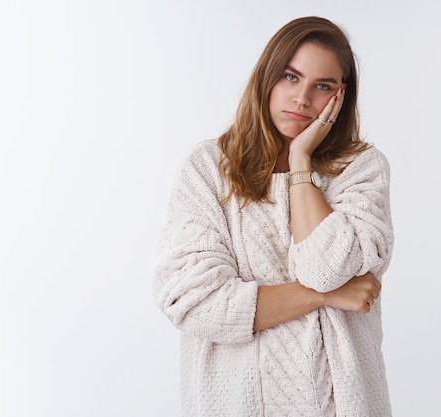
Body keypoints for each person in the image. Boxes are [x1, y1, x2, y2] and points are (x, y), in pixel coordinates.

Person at [152, 16, 394, 417]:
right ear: (266, 77)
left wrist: (300, 163)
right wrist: (324, 297)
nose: (302, 99)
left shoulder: (360, 170)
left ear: (340, 96)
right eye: (290, 76)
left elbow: (324, 267)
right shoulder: (208, 169)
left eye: (322, 86)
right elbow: (194, 302)